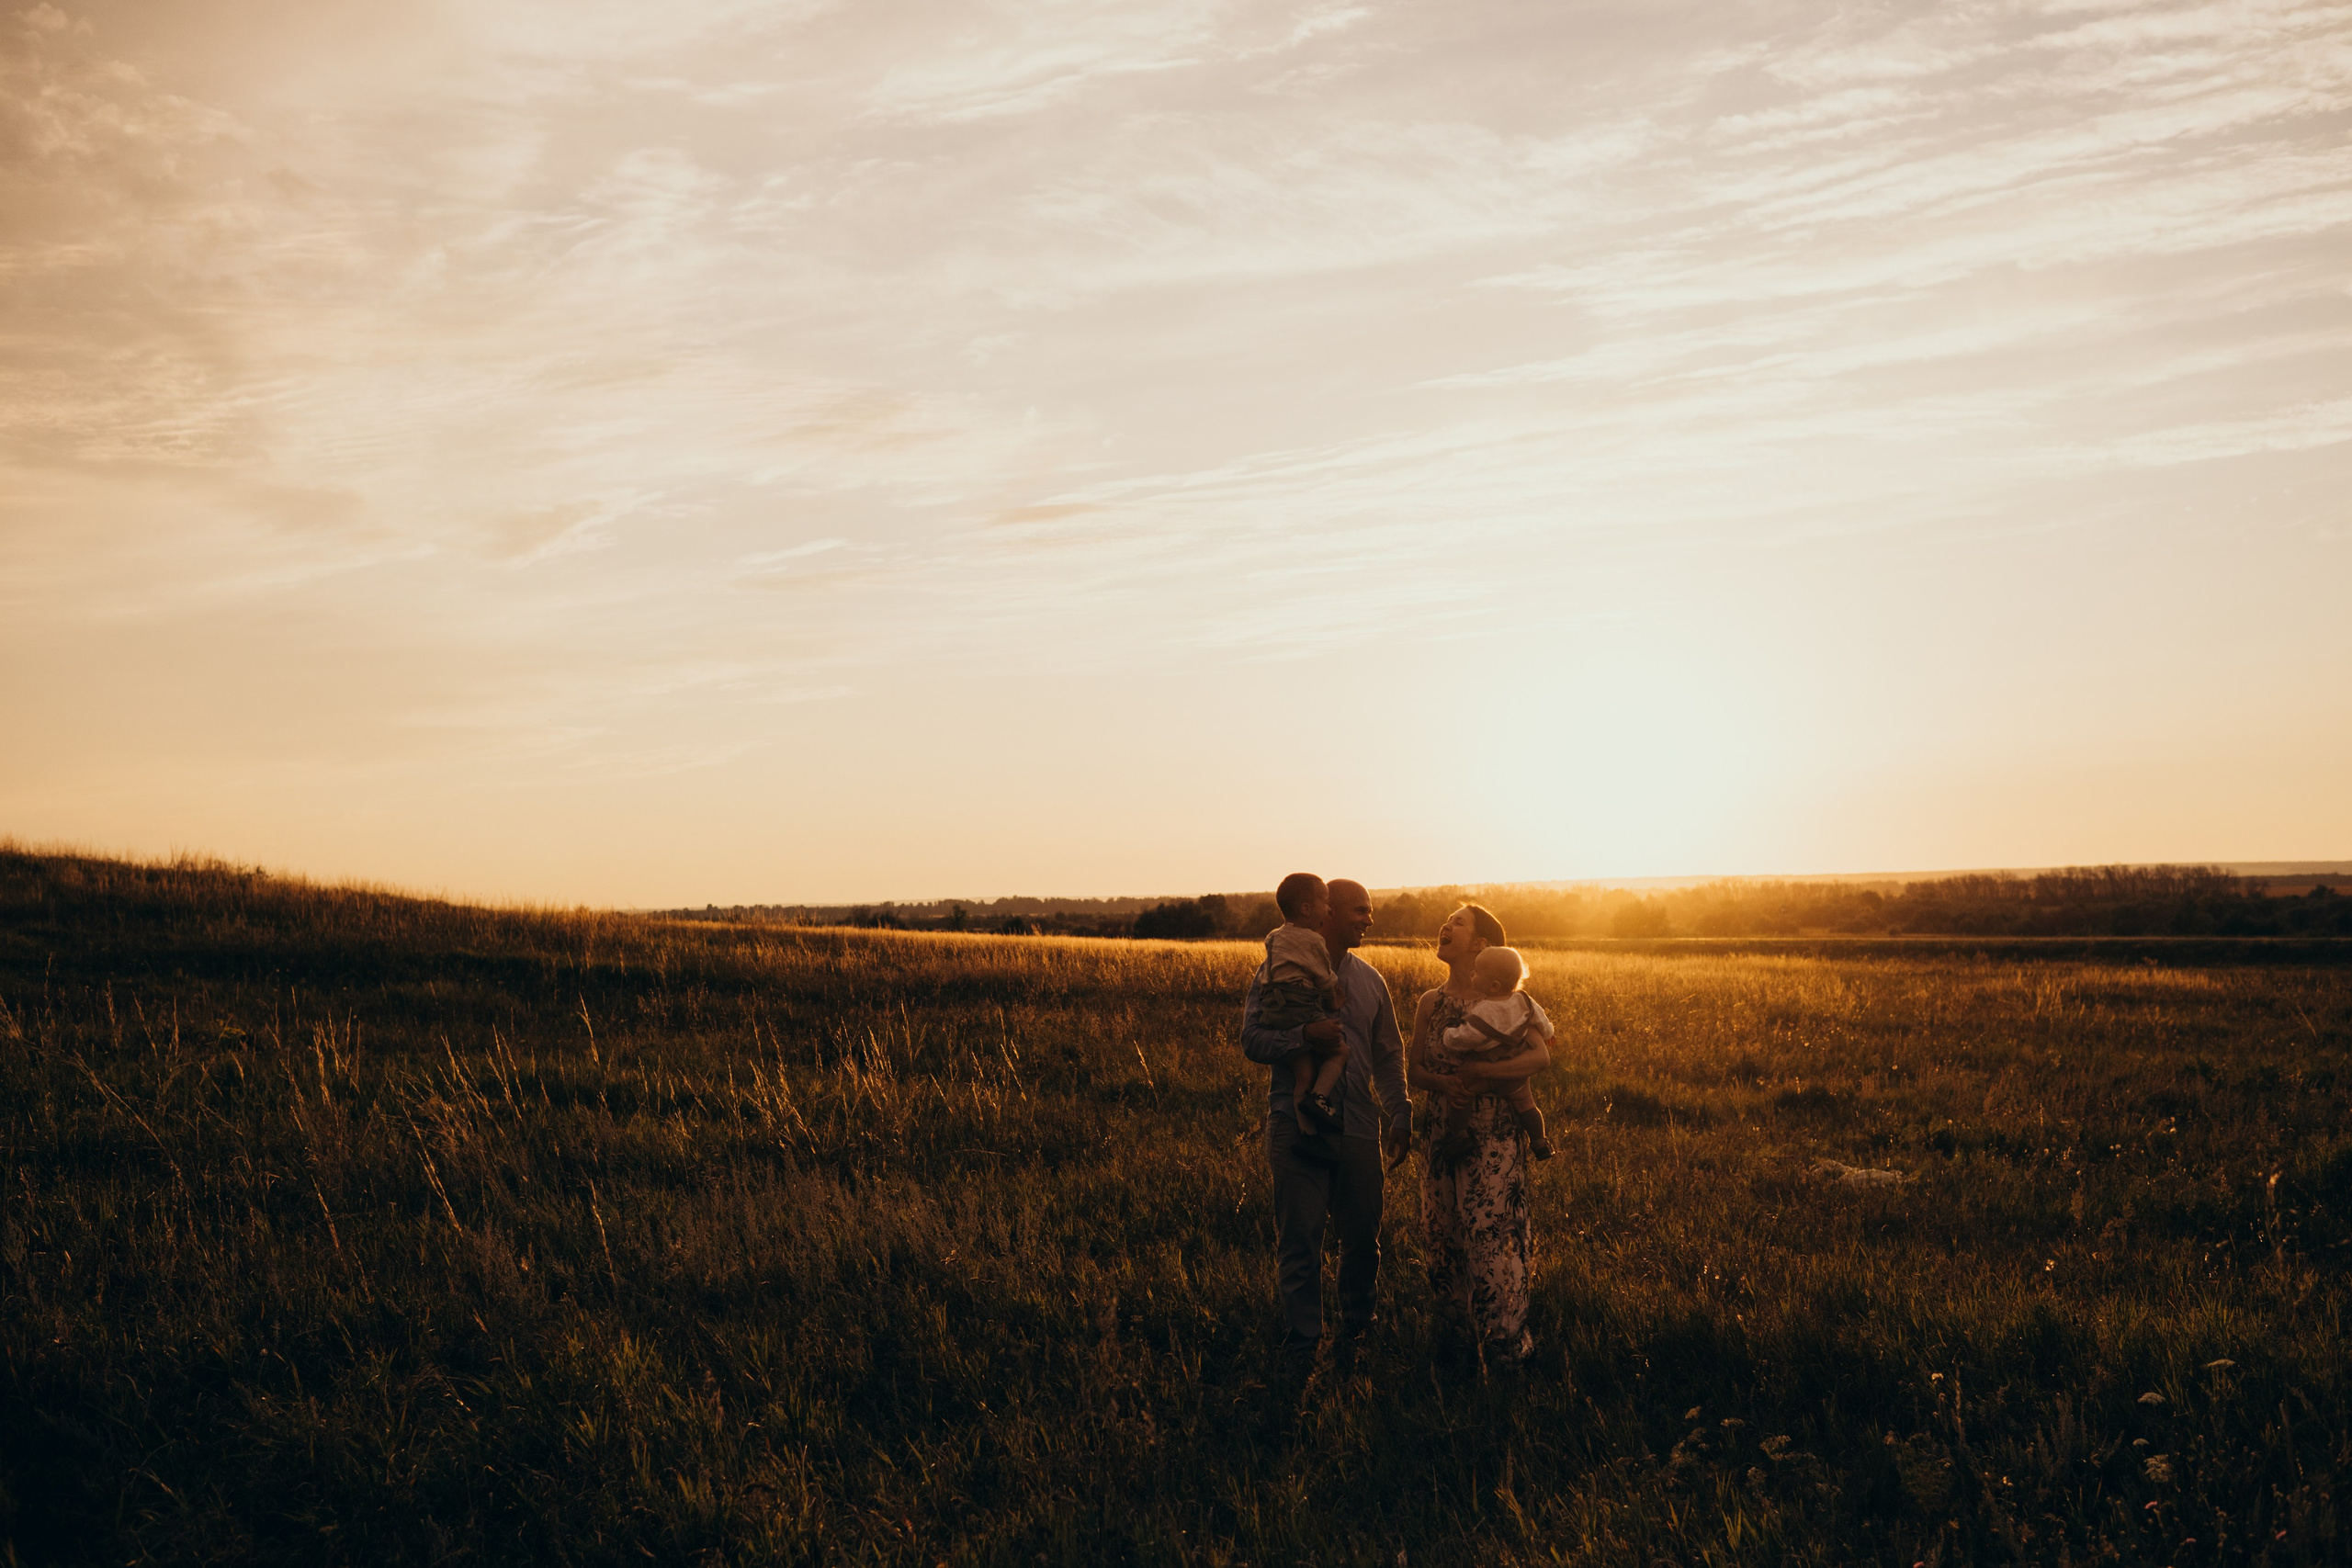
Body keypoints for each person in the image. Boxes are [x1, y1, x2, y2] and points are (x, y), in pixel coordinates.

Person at [1240, 878, 1411, 1386]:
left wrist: (1400, 1112)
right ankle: (1303, 1346)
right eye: (1361, 910)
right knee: (1301, 1239)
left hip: (1358, 1125)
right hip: (1295, 1125)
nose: (1369, 919)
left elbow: (1388, 1055)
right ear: (1328, 911)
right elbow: (1251, 1039)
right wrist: (1302, 1035)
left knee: (1361, 1239)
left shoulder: (1371, 981)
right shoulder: (1277, 971)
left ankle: (1356, 1330)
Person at [1408, 904, 1553, 1373]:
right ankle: (1456, 1341)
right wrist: (1447, 1083)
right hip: (1441, 1130)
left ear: (1481, 945)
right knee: (1443, 1233)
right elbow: (1415, 1072)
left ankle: (1505, 1348)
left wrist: (1483, 1076)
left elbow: (1539, 1058)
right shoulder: (1430, 1003)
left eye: (1458, 922)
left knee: (1493, 1235)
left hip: (1494, 1132)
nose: (1445, 925)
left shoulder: (1509, 1005)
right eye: (1447, 919)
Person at [1432, 945, 1554, 1162]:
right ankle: (1539, 1141)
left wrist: (1449, 1036)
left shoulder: (1485, 1010)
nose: (1472, 973)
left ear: (1494, 985)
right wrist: (1549, 1034)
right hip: (1516, 1072)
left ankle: (1460, 1136)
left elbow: (1467, 1037)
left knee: (1463, 1094)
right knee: (1527, 1104)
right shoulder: (1524, 1000)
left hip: (1487, 1070)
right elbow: (1541, 1020)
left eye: (1477, 972)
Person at [1258, 873, 1347, 1143]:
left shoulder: (1273, 937)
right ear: (1306, 909)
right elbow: (1324, 978)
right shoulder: (1313, 940)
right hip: (1299, 1003)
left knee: (1303, 1075)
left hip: (1273, 1008)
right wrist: (1332, 1000)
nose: (1329, 909)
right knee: (1340, 1051)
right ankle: (1319, 1098)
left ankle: (1307, 1134)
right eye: (1325, 902)